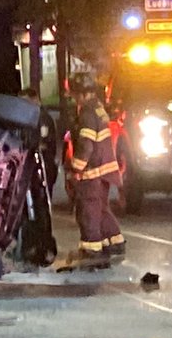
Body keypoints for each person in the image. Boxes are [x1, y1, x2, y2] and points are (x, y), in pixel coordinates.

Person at [64, 72, 124, 268]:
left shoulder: (87, 113)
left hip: (93, 173)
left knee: (88, 210)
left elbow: (86, 144)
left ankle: (92, 250)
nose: (73, 98)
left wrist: (76, 167)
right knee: (101, 208)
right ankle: (114, 243)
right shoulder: (98, 108)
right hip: (105, 170)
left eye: (74, 94)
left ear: (80, 93)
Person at [22, 88, 58, 195]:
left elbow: (43, 142)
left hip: (44, 163)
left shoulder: (42, 118)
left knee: (42, 197)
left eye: (25, 102)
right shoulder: (30, 117)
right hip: (36, 165)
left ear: (35, 100)